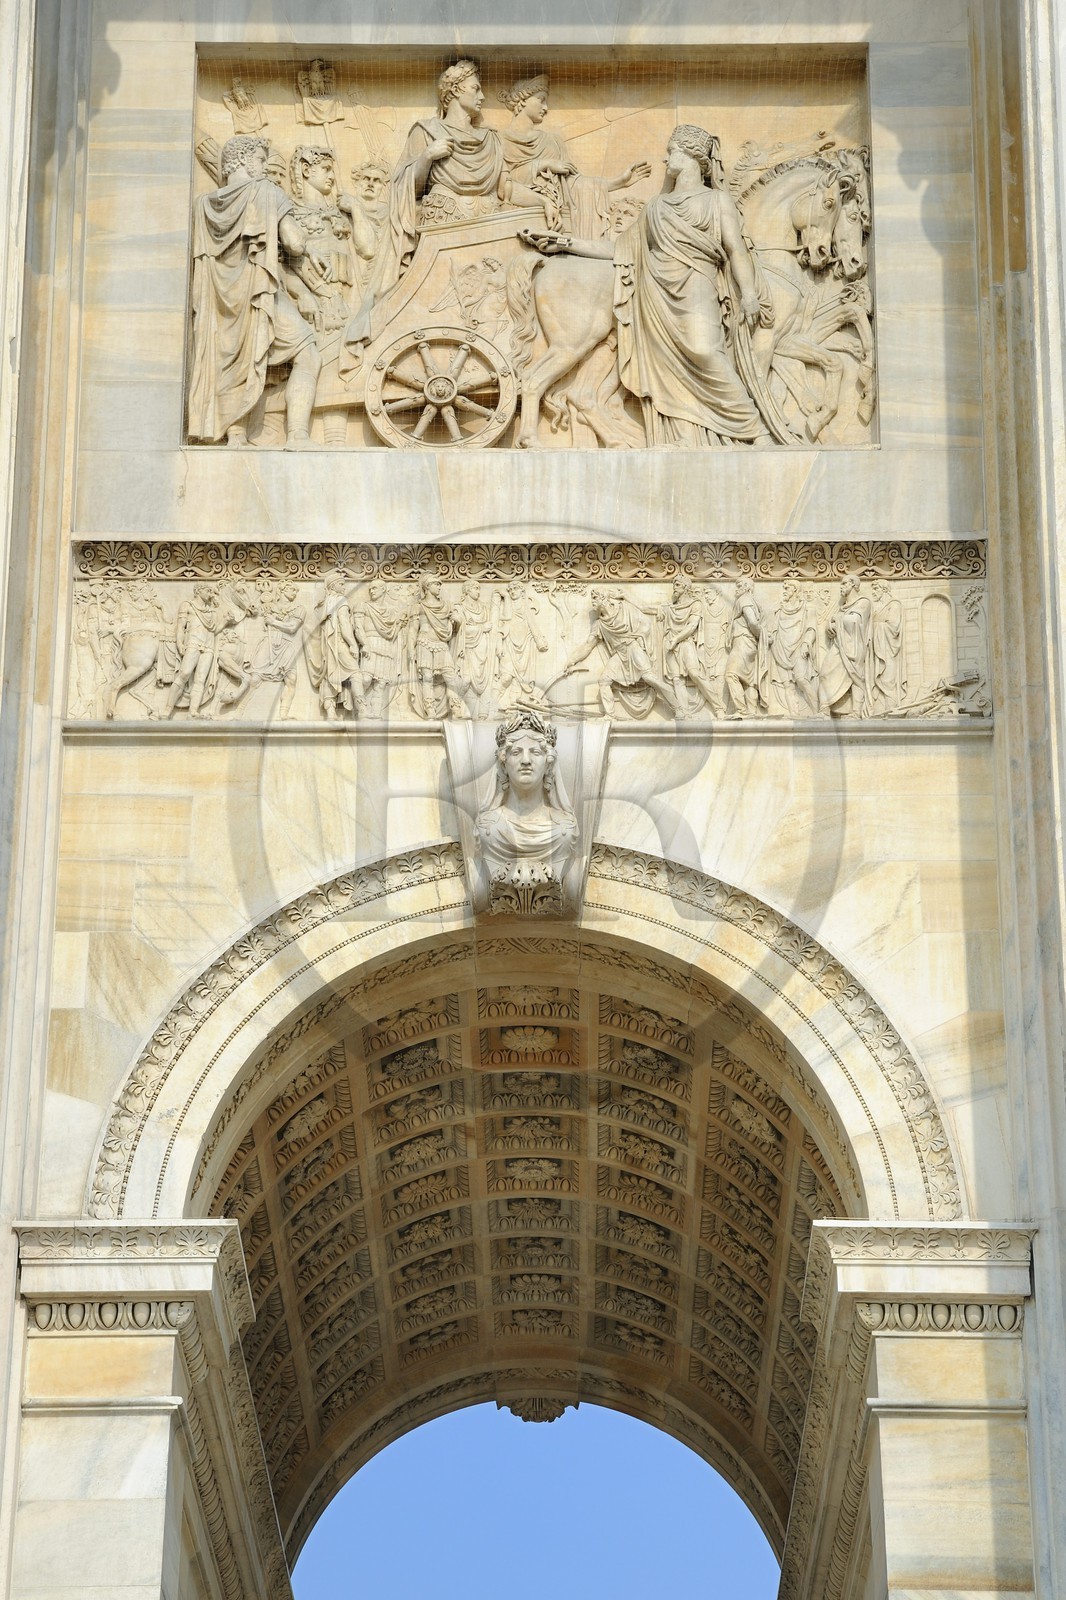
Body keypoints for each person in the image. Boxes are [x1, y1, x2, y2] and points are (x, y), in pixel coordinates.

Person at [342, 60, 544, 363]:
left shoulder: (491, 139)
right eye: (475, 88)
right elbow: (407, 189)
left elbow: (507, 189)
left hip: (489, 226)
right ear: (456, 89)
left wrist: (544, 203)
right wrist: (427, 156)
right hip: (445, 224)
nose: (482, 96)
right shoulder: (426, 132)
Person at [187, 134, 326, 447]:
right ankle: (298, 436)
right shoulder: (266, 191)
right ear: (243, 160)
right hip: (259, 293)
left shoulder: (204, 206)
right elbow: (293, 241)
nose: (265, 167)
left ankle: (235, 435)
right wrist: (307, 249)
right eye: (261, 160)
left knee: (233, 359)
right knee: (308, 354)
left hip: (221, 302)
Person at [499, 73, 650, 238]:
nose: (546, 108)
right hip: (520, 217)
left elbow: (574, 185)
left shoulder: (552, 141)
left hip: (558, 219)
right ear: (522, 100)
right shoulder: (498, 141)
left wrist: (620, 182)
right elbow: (502, 183)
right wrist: (544, 164)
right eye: (541, 100)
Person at [475, 710, 579, 895]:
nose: (525, 761)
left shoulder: (564, 828)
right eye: (516, 752)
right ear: (503, 763)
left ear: (548, 764)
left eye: (535, 752)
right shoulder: (488, 827)